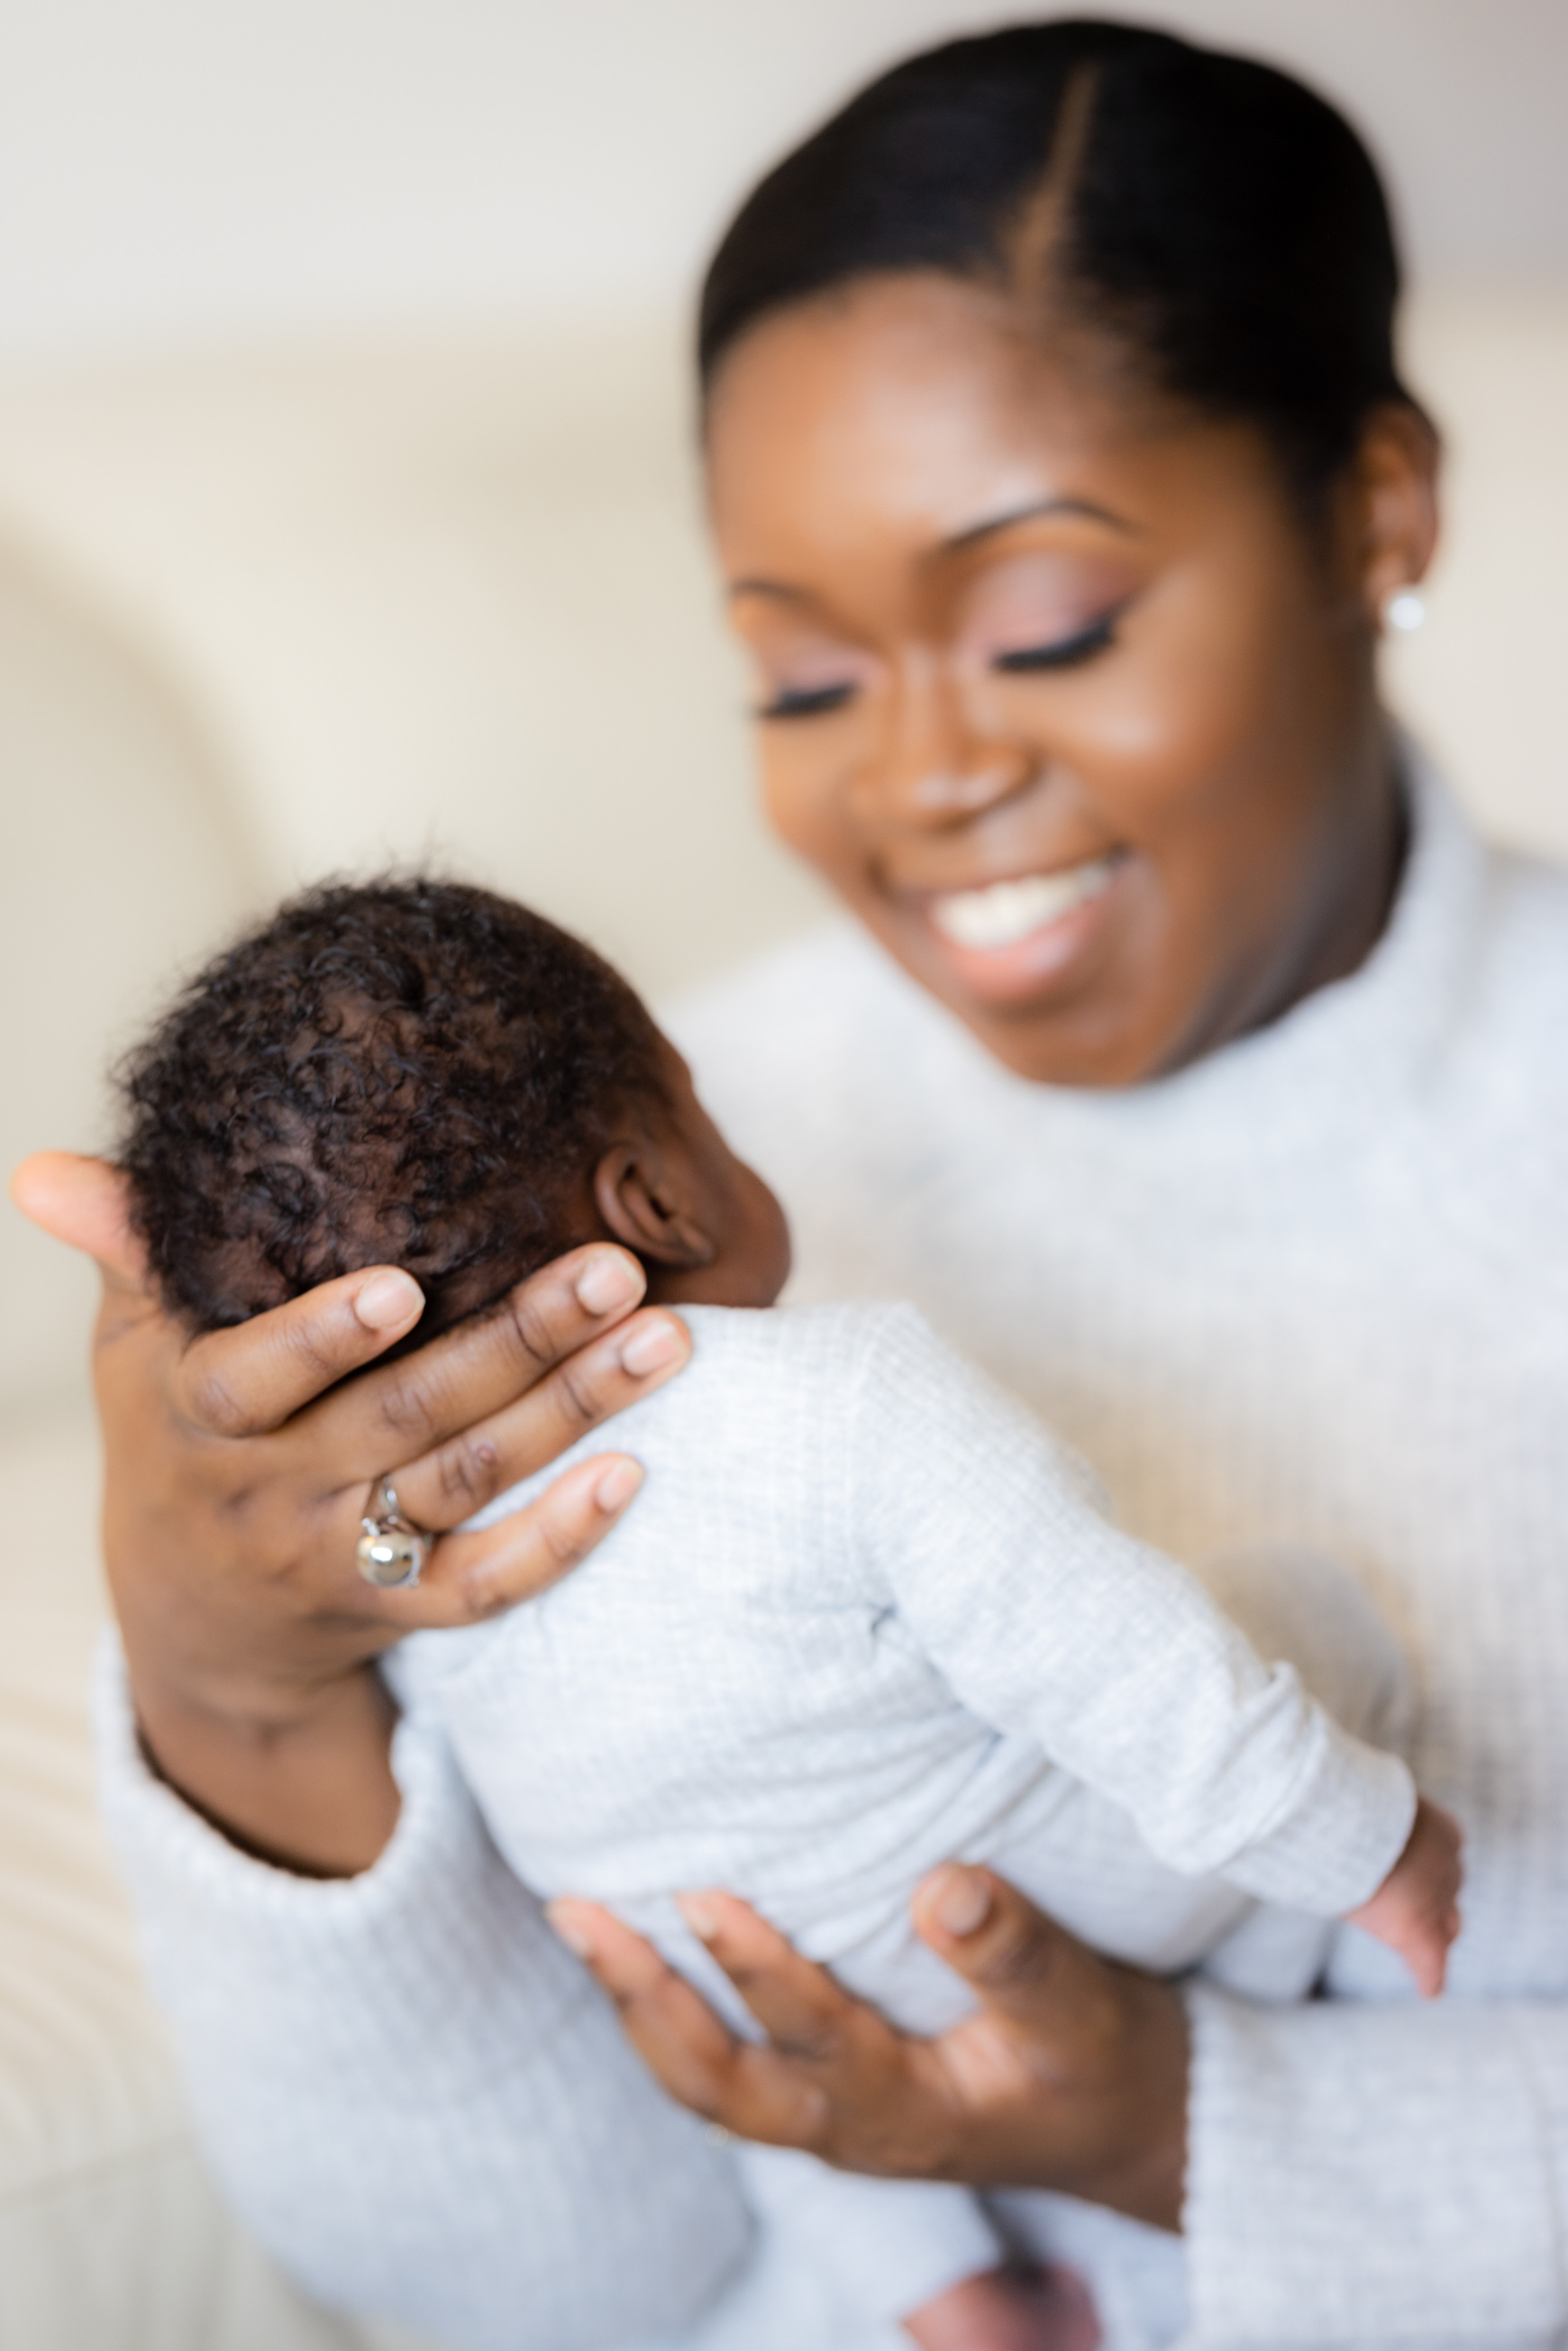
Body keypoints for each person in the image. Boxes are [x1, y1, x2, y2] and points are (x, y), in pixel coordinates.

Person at [12, 15, 1568, 2349]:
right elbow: (544, 2293)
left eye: (1049, 627)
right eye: (806, 678)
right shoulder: (589, 1206)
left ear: (1376, 511)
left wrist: (1172, 2119)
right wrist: (237, 1705)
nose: (924, 773)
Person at [112, 870, 1458, 2347]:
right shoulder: (841, 1399)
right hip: (1067, 1905)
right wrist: (1362, 1845)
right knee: (1293, 1608)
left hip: (798, 2031)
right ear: (657, 1197)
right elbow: (1115, 1656)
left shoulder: (423, 1580)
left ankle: (948, 2293)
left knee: (714, 1977)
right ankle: (1297, 1926)